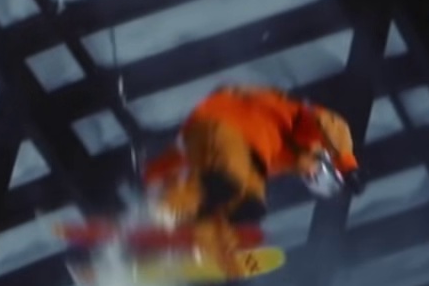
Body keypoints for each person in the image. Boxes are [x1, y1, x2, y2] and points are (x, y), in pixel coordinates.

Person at [144, 84, 357, 255]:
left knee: (250, 207)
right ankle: (166, 212)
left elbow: (190, 163)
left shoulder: (280, 162)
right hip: (227, 125)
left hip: (238, 150)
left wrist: (152, 174)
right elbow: (332, 124)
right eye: (318, 175)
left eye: (312, 182)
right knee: (230, 180)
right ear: (324, 160)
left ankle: (202, 241)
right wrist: (348, 165)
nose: (310, 176)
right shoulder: (305, 129)